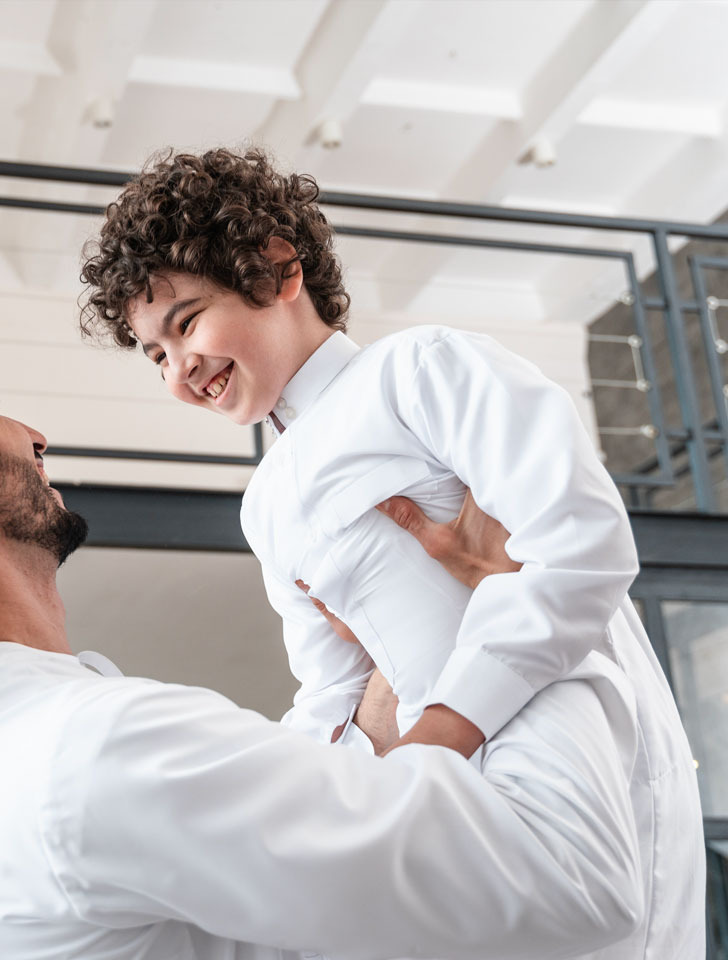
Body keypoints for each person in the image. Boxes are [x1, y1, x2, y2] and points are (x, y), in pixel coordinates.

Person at [0, 325, 644, 960]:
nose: (33, 432)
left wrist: (373, 716)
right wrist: (510, 600)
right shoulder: (95, 749)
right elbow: (573, 883)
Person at [79, 148, 705, 955]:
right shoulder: (264, 506)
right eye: (156, 355)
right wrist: (283, 810)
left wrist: (439, 737)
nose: (178, 370)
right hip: (446, 796)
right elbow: (329, 690)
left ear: (277, 270)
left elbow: (582, 545)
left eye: (187, 322)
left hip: (569, 740)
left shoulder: (422, 369)